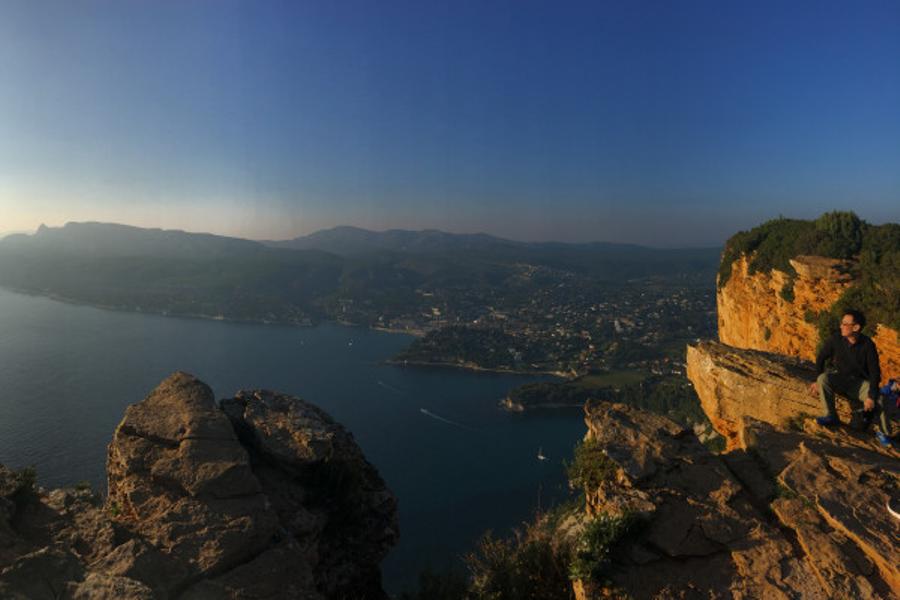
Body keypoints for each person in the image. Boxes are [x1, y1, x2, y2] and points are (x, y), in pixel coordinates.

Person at [810, 309, 893, 447]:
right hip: (841, 379)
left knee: (879, 398)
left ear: (856, 327)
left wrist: (871, 396)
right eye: (841, 323)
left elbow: (875, 373)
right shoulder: (836, 339)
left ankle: (884, 433)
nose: (841, 326)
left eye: (845, 324)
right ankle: (830, 415)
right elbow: (821, 358)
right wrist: (816, 380)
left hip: (859, 384)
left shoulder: (867, 344)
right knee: (823, 379)